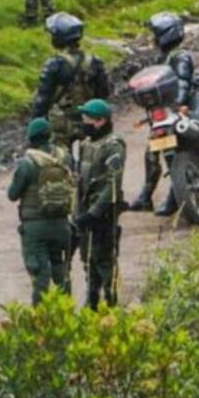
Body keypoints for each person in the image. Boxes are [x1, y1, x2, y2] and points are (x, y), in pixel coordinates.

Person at [129, 13, 194, 216]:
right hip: (164, 115)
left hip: (179, 114)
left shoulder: (181, 57)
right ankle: (146, 196)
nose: (153, 39)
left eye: (155, 35)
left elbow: (183, 83)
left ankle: (174, 198)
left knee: (172, 155)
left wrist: (177, 106)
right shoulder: (161, 59)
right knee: (152, 153)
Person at [7, 116, 75, 305]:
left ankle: (41, 317)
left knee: (40, 277)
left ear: (30, 138)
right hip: (62, 224)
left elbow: (12, 194)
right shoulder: (64, 158)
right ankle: (66, 313)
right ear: (49, 135)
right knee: (61, 273)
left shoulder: (27, 163)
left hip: (35, 228)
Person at [30, 12, 111, 149]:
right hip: (90, 121)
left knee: (59, 157)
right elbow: (104, 93)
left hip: (61, 127)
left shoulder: (54, 65)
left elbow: (42, 101)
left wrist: (35, 128)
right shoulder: (94, 61)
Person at [75, 99, 126, 309]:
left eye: (87, 119)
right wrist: (78, 214)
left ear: (100, 121)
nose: (83, 123)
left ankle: (112, 303)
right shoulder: (85, 145)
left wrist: (94, 213)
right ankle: (92, 302)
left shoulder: (113, 146)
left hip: (104, 214)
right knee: (88, 259)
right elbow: (80, 182)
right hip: (86, 212)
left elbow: (114, 183)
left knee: (104, 259)